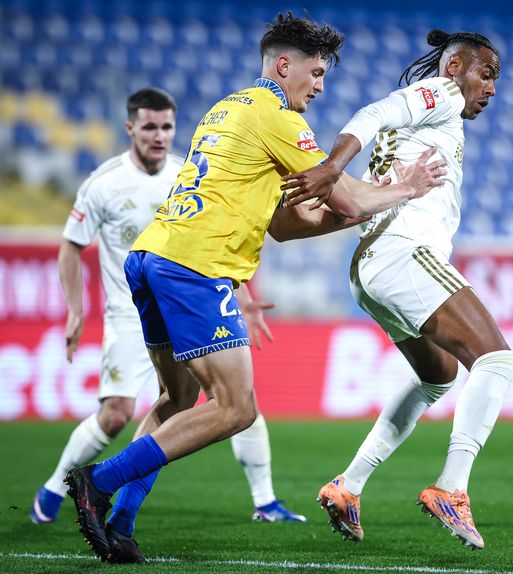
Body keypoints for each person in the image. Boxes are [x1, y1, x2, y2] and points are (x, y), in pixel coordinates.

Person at [64, 12, 445, 564]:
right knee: (235, 408)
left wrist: (358, 208)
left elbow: (286, 226)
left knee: (179, 399)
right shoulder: (279, 118)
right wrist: (403, 189)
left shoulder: (229, 108)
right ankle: (98, 483)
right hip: (196, 266)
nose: (319, 87)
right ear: (283, 65)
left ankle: (119, 521)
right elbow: (351, 199)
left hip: (151, 258)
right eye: (315, 74)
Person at [30, 87, 306, 546]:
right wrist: (75, 309)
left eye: (167, 127)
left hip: (181, 293)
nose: (160, 135)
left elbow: (216, 237)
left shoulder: (188, 170)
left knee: (198, 402)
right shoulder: (103, 183)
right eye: (150, 126)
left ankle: (133, 518)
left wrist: (241, 298)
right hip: (127, 309)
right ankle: (63, 488)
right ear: (130, 129)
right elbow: (70, 246)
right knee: (130, 413)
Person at [282, 29, 513, 550]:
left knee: (438, 374)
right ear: (455, 66)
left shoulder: (426, 128)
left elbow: (377, 152)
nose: (491, 88)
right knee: (497, 361)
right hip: (405, 254)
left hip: (373, 264)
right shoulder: (444, 93)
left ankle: (349, 485)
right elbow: (374, 112)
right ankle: (452, 487)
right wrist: (331, 165)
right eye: (487, 73)